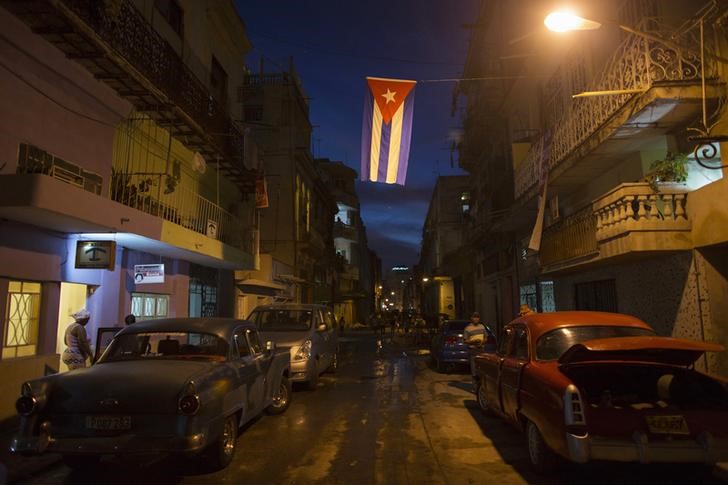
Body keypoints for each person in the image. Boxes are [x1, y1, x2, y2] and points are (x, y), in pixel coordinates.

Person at [463, 312, 486, 387]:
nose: (476, 318)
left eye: (477, 317)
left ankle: (482, 387)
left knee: (482, 369)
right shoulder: (467, 328)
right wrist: (473, 341)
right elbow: (465, 340)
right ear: (471, 318)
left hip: (481, 350)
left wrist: (482, 342)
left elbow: (486, 337)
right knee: (474, 370)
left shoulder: (482, 327)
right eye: (474, 317)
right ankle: (475, 387)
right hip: (473, 351)